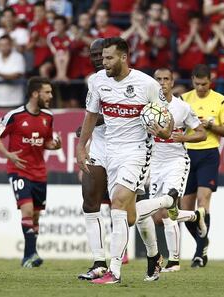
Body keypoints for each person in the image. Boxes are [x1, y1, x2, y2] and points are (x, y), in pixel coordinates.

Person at [76, 37, 175, 284]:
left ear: (123, 57)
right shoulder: (98, 81)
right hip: (110, 152)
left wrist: (164, 130)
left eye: (108, 58)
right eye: (102, 58)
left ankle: (114, 271)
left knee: (118, 203)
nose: (104, 62)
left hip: (137, 151)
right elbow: (90, 115)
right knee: (129, 216)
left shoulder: (147, 84)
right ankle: (165, 204)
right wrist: (81, 147)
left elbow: (167, 119)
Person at [141, 67, 207, 272]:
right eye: (158, 79)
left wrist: (184, 137)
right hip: (155, 164)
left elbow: (202, 133)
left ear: (172, 82)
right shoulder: (147, 108)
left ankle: (174, 261)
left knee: (169, 208)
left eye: (166, 79)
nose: (162, 83)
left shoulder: (182, 107)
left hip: (176, 162)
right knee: (158, 216)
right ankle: (195, 216)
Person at [0, 77, 62, 268]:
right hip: (19, 170)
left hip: (40, 172)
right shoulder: (15, 115)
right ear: (34, 93)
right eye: (47, 92)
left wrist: (54, 146)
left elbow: (46, 142)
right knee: (27, 210)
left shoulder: (48, 116)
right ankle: (31, 254)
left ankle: (28, 257)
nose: (51, 96)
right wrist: (8, 154)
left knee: (36, 216)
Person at [181, 64, 224, 268]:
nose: (201, 87)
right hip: (186, 154)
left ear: (210, 82)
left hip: (208, 154)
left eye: (204, 84)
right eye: (197, 83)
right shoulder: (184, 99)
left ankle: (199, 254)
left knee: (203, 201)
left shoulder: (220, 100)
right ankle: (203, 242)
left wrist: (211, 126)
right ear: (192, 81)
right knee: (185, 210)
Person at [75, 38, 111, 280]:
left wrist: (87, 127)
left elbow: (112, 115)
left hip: (126, 149)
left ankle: (153, 257)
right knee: (90, 202)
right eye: (94, 54)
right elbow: (93, 113)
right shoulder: (93, 81)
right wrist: (84, 138)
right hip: (99, 147)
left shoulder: (135, 81)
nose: (97, 58)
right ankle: (99, 262)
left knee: (128, 211)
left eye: (102, 54)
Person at [0, 34, 26, 108]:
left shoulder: (18, 57)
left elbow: (16, 76)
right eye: (1, 45)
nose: (4, 47)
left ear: (11, 45)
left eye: (6, 44)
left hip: (15, 102)